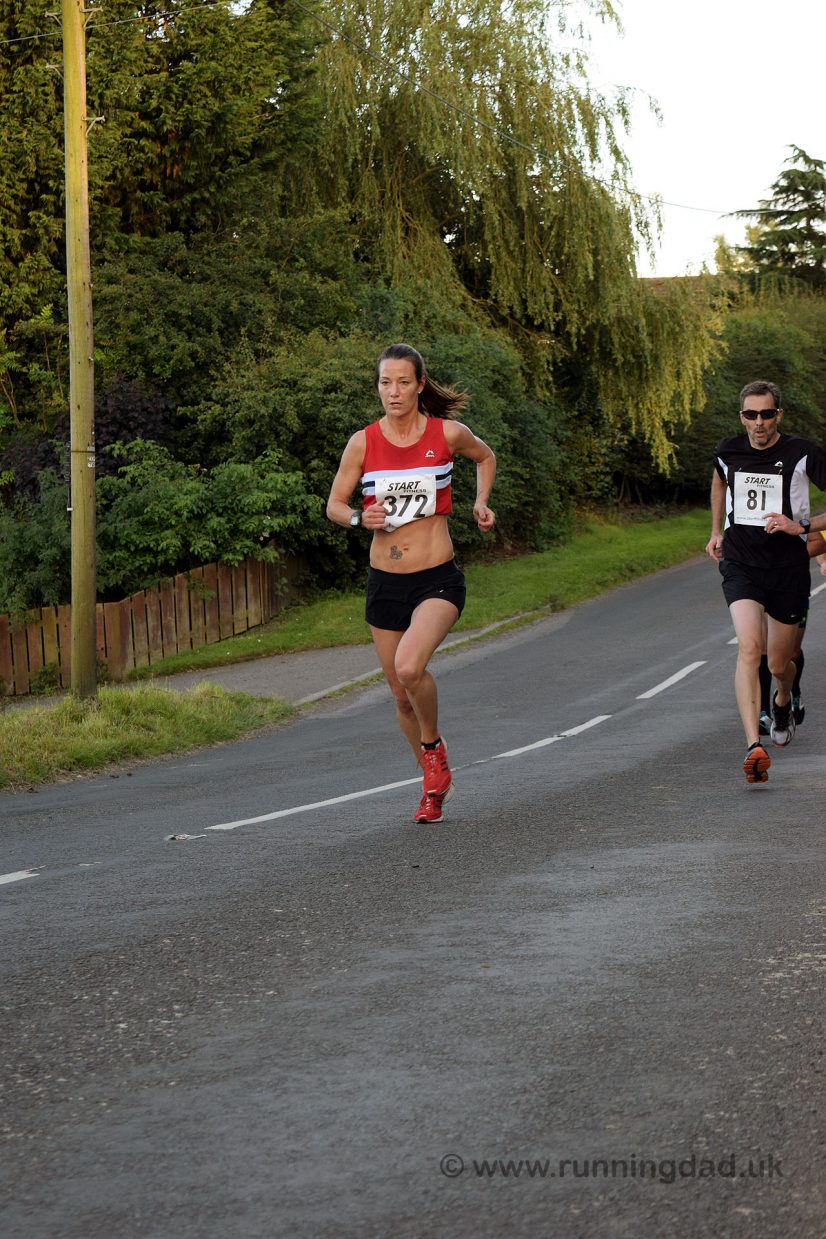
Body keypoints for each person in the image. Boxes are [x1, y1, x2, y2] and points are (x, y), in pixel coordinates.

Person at [326, 343, 496, 823]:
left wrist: (480, 502)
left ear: (420, 384)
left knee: (408, 666)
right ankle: (432, 781)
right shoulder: (363, 442)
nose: (393, 392)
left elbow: (486, 457)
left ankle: (433, 749)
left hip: (437, 579)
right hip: (385, 582)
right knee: (401, 696)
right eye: (385, 382)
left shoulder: (447, 435)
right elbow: (334, 505)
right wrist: (361, 517)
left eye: (403, 382)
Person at [706, 380, 826, 783]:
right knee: (749, 647)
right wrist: (716, 530)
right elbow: (719, 480)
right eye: (750, 415)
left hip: (788, 569)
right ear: (741, 416)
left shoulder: (803, 452)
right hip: (741, 563)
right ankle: (752, 745)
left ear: (779, 414)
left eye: (767, 414)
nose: (759, 423)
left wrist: (802, 525)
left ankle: (783, 697)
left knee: (779, 662)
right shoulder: (728, 450)